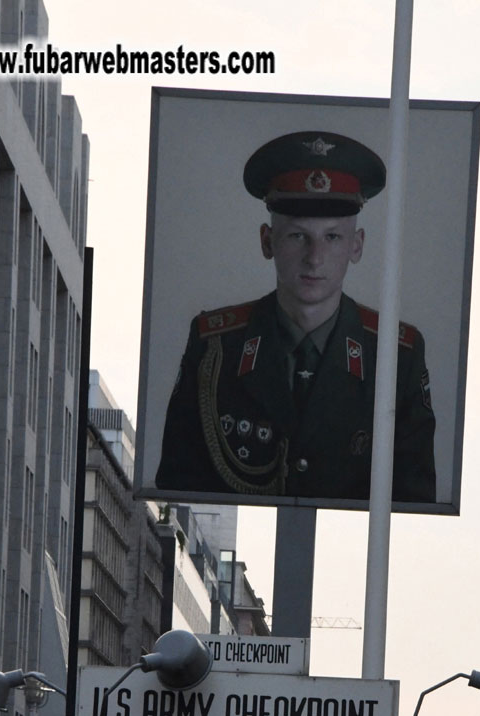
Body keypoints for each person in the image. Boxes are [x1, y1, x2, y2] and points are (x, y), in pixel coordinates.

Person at [156, 130, 436, 503]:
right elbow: (178, 490)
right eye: (297, 237)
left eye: (333, 237)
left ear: (357, 246)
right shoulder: (215, 348)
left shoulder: (396, 356)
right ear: (267, 241)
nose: (314, 257)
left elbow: (414, 504)